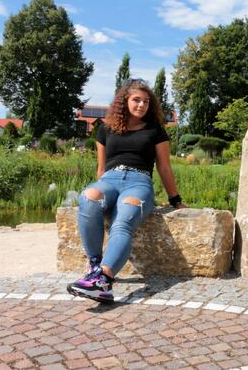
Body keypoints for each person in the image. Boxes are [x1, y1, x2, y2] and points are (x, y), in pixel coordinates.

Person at [67, 78, 186, 303]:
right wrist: (103, 194)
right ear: (124, 101)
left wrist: (175, 199)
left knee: (122, 222)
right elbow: (101, 169)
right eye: (136, 100)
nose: (142, 105)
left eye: (146, 102)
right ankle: (94, 268)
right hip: (109, 180)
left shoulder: (155, 130)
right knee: (89, 198)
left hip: (138, 182)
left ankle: (104, 280)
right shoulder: (105, 129)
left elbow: (164, 167)